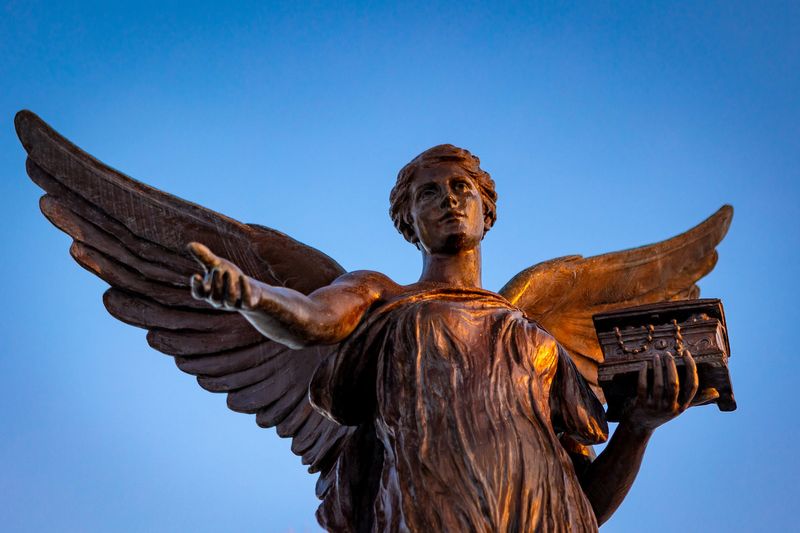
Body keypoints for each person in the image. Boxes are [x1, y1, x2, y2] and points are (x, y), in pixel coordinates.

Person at [188, 145, 699, 532]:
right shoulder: (381, 298)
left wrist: (637, 428)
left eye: (462, 188)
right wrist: (254, 297)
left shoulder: (534, 335)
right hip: (429, 509)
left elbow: (587, 505)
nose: (449, 200)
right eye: (429, 193)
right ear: (408, 221)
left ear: (486, 211)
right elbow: (313, 318)